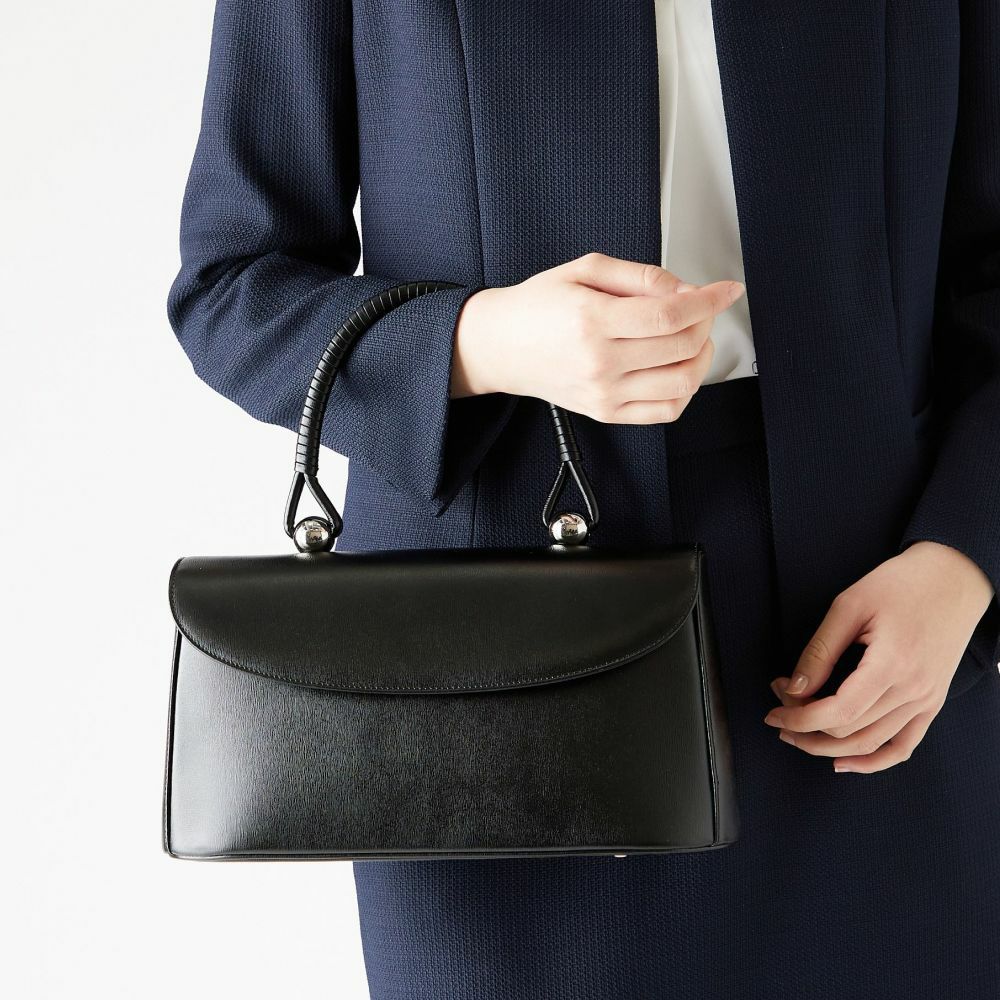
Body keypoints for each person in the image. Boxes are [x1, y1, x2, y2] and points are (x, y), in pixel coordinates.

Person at [167, 0, 1000, 995]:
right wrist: (486, 340)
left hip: (881, 648)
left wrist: (966, 557)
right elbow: (232, 287)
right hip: (501, 695)